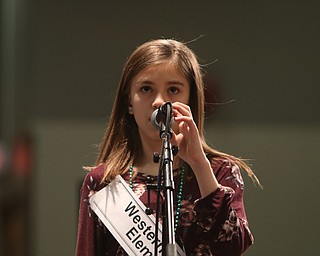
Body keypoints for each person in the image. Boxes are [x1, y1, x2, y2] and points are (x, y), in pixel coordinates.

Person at [76, 38, 261, 256]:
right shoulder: (103, 183)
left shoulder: (221, 172)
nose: (159, 101)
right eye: (146, 89)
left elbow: (232, 247)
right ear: (129, 103)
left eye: (173, 90)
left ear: (190, 100)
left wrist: (199, 163)